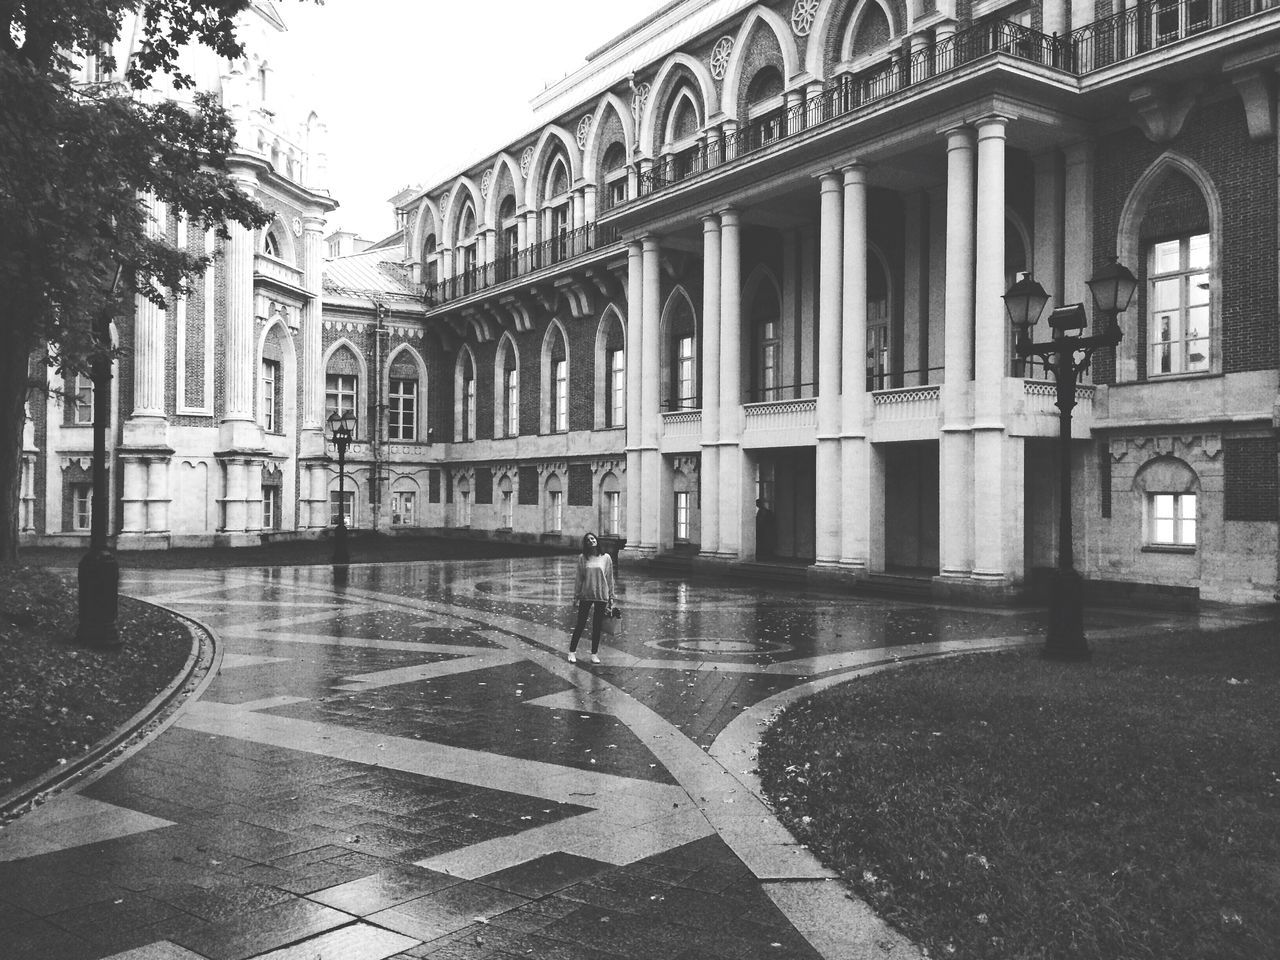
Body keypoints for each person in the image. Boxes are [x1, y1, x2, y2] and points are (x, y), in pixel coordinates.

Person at [568, 531, 615, 664]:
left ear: (596, 540)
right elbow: (579, 578)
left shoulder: (606, 558)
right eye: (588, 540)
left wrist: (611, 596)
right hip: (586, 594)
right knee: (580, 624)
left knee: (597, 626)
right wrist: (575, 596)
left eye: (592, 538)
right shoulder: (583, 558)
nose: (591, 541)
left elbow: (610, 577)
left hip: (601, 594)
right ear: (586, 544)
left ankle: (594, 654)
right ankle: (572, 652)